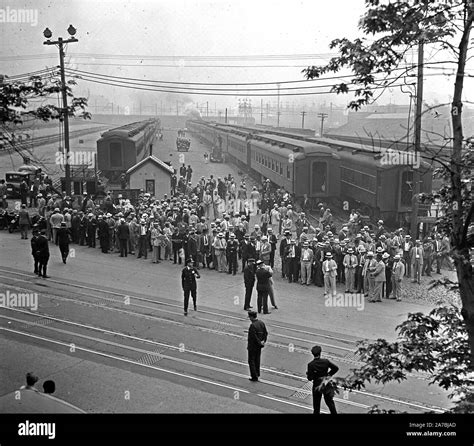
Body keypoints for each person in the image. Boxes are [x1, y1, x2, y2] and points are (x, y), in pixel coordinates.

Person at [306, 345, 339, 415]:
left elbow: (310, 378)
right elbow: (335, 368)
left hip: (316, 385)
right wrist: (328, 375)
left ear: (312, 354)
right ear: (320, 353)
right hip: (326, 383)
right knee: (329, 402)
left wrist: (309, 374)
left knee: (316, 405)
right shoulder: (325, 361)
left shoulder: (311, 365)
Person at [247, 311, 268, 382]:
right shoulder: (261, 323)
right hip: (259, 346)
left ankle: (254, 376)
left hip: (253, 346)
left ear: (252, 317)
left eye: (250, 317)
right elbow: (265, 333)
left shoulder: (252, 326)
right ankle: (257, 373)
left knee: (251, 361)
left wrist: (259, 343)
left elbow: (254, 337)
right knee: (257, 360)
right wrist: (263, 342)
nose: (249, 318)